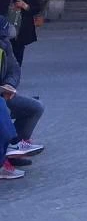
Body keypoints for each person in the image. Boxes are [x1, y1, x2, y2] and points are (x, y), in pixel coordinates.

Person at [1, 17, 44, 180]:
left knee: (35, 107)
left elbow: (14, 69)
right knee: (2, 110)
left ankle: (14, 148)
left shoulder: (5, 44)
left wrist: (9, 85)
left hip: (4, 92)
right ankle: (7, 150)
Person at [0, 0, 42, 66]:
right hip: (5, 32)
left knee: (17, 58)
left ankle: (15, 72)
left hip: (21, 33)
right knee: (4, 58)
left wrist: (26, 6)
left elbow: (37, 9)